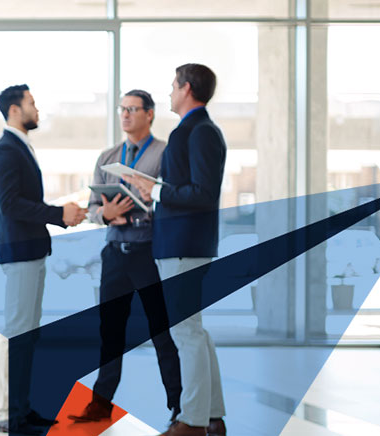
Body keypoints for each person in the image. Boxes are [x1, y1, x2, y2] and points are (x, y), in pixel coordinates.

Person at [124, 64, 228, 436]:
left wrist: (158, 191)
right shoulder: (194, 130)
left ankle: (193, 421)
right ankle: (212, 417)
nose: (169, 92)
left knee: (185, 334)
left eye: (172, 86)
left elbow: (203, 194)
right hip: (182, 243)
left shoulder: (198, 131)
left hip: (185, 245)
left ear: (186, 89)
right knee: (194, 331)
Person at [67, 90, 183, 424]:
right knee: (111, 333)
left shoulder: (165, 153)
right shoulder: (108, 157)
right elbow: (91, 209)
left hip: (149, 252)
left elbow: (173, 199)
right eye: (122, 109)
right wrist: (106, 213)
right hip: (115, 253)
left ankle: (178, 407)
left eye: (133, 109)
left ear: (149, 114)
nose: (126, 115)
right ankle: (100, 405)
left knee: (162, 332)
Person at [0, 84, 84, 434]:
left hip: (30, 252)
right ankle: (8, 415)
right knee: (16, 334)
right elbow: (11, 205)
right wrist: (59, 214)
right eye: (31, 103)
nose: (36, 109)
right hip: (20, 253)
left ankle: (21, 411)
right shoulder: (5, 152)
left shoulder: (19, 148)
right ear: (14, 110)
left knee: (26, 334)